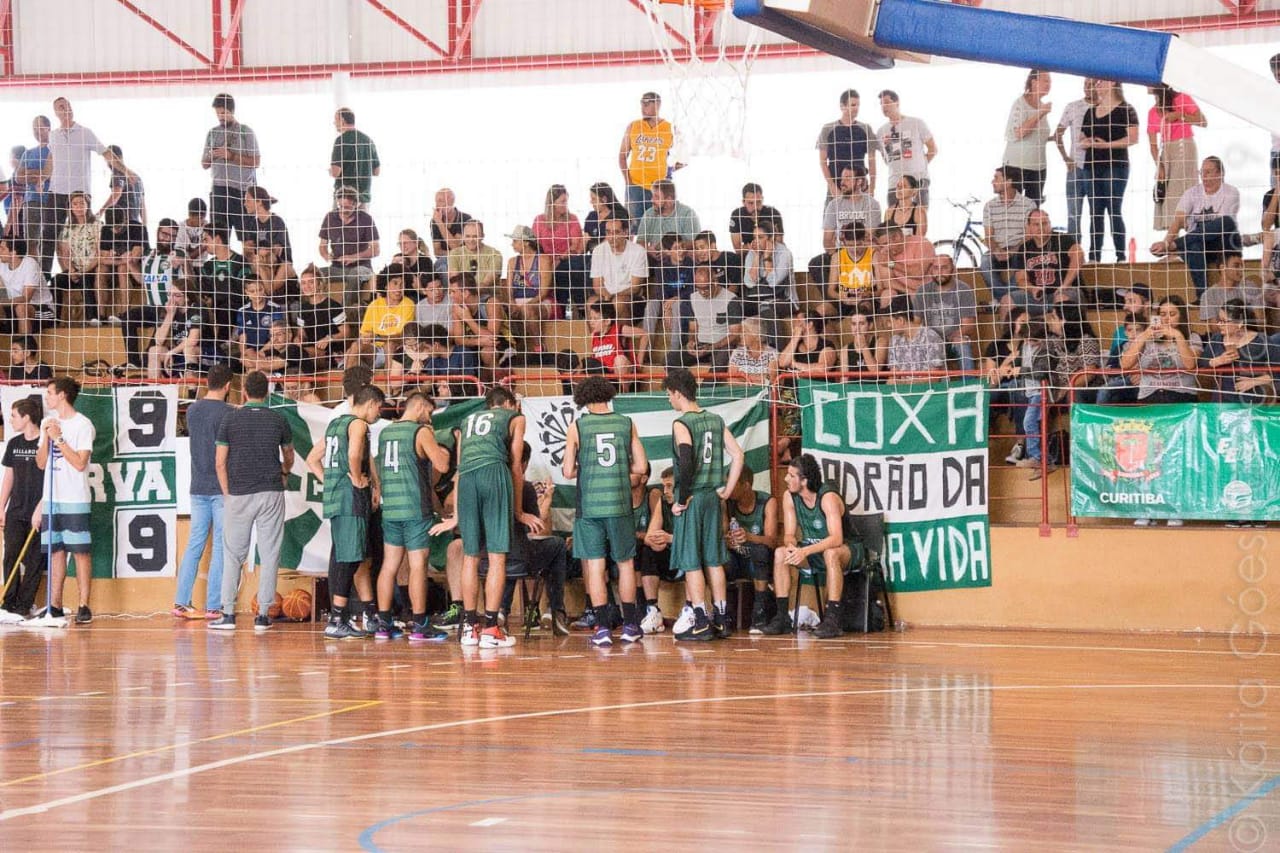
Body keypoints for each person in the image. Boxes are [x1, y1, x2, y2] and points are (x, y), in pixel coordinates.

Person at [429, 386, 544, 648]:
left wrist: (457, 515)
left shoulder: (467, 421)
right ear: (508, 403)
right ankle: (492, 628)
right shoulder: (515, 418)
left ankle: (470, 628)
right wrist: (519, 512)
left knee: (470, 556)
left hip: (467, 480)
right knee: (496, 556)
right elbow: (515, 465)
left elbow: (459, 469)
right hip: (494, 473)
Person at [562, 376, 649, 647]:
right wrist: (617, 469)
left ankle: (601, 628)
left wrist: (588, 469)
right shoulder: (626, 423)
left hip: (590, 506)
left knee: (596, 566)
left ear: (584, 399)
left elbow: (567, 471)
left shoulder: (577, 426)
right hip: (620, 503)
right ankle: (631, 625)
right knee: (625, 565)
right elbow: (641, 467)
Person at [663, 367, 744, 640]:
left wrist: (680, 498)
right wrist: (727, 490)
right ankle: (721, 618)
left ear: (677, 393)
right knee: (714, 559)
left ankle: (700, 620)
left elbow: (685, 461)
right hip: (712, 496)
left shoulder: (682, 423)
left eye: (669, 395)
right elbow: (738, 455)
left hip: (693, 496)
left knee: (692, 561)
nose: (669, 400)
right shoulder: (715, 419)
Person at [211, 371, 294, 631]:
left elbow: (219, 462)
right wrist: (284, 472)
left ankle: (227, 613)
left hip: (238, 493)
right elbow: (289, 455)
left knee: (233, 555)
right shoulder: (278, 419)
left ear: (244, 392)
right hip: (270, 491)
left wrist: (227, 492)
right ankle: (263, 615)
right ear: (267, 392)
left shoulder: (230, 420)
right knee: (269, 554)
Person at [307, 384, 384, 640]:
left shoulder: (335, 425)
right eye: (379, 408)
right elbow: (354, 455)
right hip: (350, 498)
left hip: (336, 496)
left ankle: (369, 614)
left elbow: (311, 459)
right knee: (348, 557)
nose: (378, 414)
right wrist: (355, 478)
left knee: (356, 555)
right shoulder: (359, 425)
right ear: (371, 403)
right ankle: (337, 618)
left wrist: (373, 483)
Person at [376, 391, 453, 641]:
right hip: (414, 508)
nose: (429, 417)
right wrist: (436, 440)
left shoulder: (386, 432)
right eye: (429, 412)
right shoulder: (420, 432)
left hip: (391, 509)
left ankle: (384, 623)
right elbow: (442, 465)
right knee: (418, 565)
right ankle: (420, 625)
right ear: (419, 406)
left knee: (389, 565)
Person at [759, 454, 852, 639]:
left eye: (791, 476)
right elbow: (789, 535)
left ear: (805, 480)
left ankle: (832, 618)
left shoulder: (827, 497)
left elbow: (837, 538)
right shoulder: (789, 497)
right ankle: (782, 616)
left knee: (831, 554)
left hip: (846, 550)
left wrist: (805, 551)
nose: (786, 479)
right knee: (780, 553)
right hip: (812, 551)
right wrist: (792, 546)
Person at [27, 377, 96, 626]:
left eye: (50, 392)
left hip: (74, 498)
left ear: (63, 395)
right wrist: (47, 437)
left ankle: (83, 605)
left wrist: (59, 439)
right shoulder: (48, 422)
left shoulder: (83, 425)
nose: (47, 397)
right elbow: (41, 463)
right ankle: (54, 606)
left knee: (80, 552)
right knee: (55, 552)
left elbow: (79, 463)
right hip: (52, 497)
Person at [172, 364, 233, 620]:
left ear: (207, 382)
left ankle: (180, 602)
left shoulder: (193, 410)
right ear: (229, 386)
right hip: (221, 487)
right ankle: (213, 606)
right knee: (220, 545)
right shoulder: (229, 413)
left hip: (196, 486)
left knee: (194, 544)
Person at [1150, 156, 1241, 298]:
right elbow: (1178, 220)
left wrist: (1172, 245)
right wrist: (1165, 242)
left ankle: (1177, 246)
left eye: (1209, 172)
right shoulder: (1192, 193)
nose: (1204, 176)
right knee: (1194, 245)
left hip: (1220, 246)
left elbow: (1221, 226)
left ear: (1220, 174)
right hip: (1195, 247)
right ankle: (1203, 296)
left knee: (1226, 222)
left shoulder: (1231, 192)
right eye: (1202, 172)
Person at [1080, 79, 1139, 263]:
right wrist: (1087, 143)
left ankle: (1120, 256)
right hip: (1092, 166)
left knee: (1114, 209)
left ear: (1113, 83)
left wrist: (1107, 146)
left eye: (1100, 81)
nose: (1096, 85)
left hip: (1116, 165)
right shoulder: (1090, 111)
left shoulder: (1126, 109)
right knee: (1095, 211)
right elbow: (1081, 138)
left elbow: (1133, 138)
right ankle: (1094, 257)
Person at [0, 397, 44, 622]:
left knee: (35, 559)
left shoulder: (45, 443)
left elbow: (52, 479)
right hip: (16, 510)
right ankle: (8, 603)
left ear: (26, 417)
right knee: (10, 556)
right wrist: (1, 506)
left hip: (38, 511)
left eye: (14, 416)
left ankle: (24, 606)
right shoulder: (14, 443)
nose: (11, 420)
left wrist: (41, 508)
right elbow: (9, 475)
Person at [726, 464, 778, 634]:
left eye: (732, 484)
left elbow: (771, 541)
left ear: (746, 485)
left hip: (759, 562)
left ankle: (760, 610)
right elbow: (721, 533)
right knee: (718, 555)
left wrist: (748, 536)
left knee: (760, 550)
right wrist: (727, 541)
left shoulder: (767, 501)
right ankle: (722, 611)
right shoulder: (726, 503)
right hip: (737, 560)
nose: (728, 489)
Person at [120, 218, 178, 371]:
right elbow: (142, 279)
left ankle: (148, 364)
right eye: (165, 234)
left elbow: (190, 282)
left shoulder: (178, 254)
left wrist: (186, 264)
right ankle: (132, 361)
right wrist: (131, 264)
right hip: (151, 307)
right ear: (158, 232)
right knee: (127, 317)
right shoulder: (148, 254)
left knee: (150, 355)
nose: (168, 238)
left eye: (173, 236)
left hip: (170, 309)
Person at [1005, 208, 1084, 319]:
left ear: (1050, 224)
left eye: (1045, 223)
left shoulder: (1063, 239)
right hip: (1038, 296)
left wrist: (1065, 285)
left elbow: (1079, 255)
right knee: (1007, 300)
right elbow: (1021, 280)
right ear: (1028, 228)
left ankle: (1067, 335)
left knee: (1061, 298)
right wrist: (1032, 289)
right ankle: (1008, 336)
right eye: (1036, 224)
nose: (1041, 227)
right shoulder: (1024, 248)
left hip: (1067, 292)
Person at [202, 93, 260, 240]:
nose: (220, 117)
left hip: (242, 192)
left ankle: (249, 263)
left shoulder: (246, 132)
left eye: (223, 113)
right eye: (217, 113)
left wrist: (231, 156)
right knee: (219, 239)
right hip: (219, 190)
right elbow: (204, 164)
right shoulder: (212, 133)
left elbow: (256, 162)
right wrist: (213, 155)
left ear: (231, 111)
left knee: (249, 240)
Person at [1148, 84, 1205, 230]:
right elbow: (1153, 145)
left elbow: (1202, 121)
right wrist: (1159, 166)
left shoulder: (1181, 98)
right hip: (1166, 152)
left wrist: (1180, 115)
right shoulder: (1153, 112)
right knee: (1167, 190)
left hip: (1183, 146)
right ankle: (1173, 236)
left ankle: (1190, 228)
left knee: (1182, 188)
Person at [619, 92, 680, 226]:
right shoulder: (633, 126)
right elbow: (622, 155)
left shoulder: (670, 128)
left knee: (660, 226)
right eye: (642, 104)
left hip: (659, 188)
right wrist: (628, 181)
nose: (643, 108)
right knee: (633, 227)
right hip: (635, 186)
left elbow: (683, 158)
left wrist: (668, 172)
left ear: (657, 104)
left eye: (647, 104)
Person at [981, 167, 1037, 307]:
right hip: (999, 249)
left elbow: (1030, 235)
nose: (992, 181)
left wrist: (1011, 251)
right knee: (985, 261)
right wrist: (997, 250)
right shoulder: (989, 206)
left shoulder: (1028, 204)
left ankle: (1002, 299)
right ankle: (1004, 297)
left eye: (996, 178)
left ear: (1008, 181)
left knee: (1022, 258)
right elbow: (988, 237)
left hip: (1020, 249)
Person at [667, 264, 740, 371]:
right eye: (698, 288)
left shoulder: (731, 300)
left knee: (718, 367)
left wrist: (713, 347)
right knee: (670, 360)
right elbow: (693, 329)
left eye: (706, 288)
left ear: (715, 282)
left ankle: (703, 387)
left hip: (722, 345)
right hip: (701, 344)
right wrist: (691, 342)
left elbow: (735, 334)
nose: (702, 292)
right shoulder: (692, 299)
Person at [1202, 299, 1275, 404]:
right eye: (1218, 320)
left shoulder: (1262, 341)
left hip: (1252, 401)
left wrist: (1255, 381)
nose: (1219, 324)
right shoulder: (1216, 338)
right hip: (1221, 401)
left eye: (1223, 321)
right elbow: (1201, 362)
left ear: (1240, 323)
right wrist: (1216, 361)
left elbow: (1277, 372)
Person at [913, 254, 978, 371]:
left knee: (962, 343)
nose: (939, 272)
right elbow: (916, 323)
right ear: (931, 270)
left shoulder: (964, 290)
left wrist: (952, 337)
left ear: (953, 269)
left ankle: (970, 384)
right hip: (930, 341)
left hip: (953, 340)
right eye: (936, 268)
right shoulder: (922, 291)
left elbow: (969, 326)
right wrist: (931, 339)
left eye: (944, 268)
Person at [318, 186, 379, 305]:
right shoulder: (330, 217)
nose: (343, 210)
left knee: (355, 274)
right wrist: (326, 255)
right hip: (337, 268)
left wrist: (354, 257)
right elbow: (322, 245)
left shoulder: (366, 219)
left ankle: (345, 311)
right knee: (315, 274)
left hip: (362, 268)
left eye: (347, 207)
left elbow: (376, 250)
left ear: (356, 204)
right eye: (340, 207)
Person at [1052, 78, 1095, 247]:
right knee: (1073, 214)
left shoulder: (1105, 107)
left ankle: (1094, 255)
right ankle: (1074, 252)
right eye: (1086, 84)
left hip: (1097, 169)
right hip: (1075, 168)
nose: (1088, 88)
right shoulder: (1073, 107)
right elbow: (1057, 134)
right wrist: (1065, 158)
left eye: (1092, 84)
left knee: (1096, 214)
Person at [876, 90, 937, 208]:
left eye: (887, 102)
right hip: (894, 183)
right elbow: (887, 160)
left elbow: (933, 149)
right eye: (881, 104)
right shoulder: (881, 131)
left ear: (897, 103)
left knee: (918, 221)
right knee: (894, 223)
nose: (884, 107)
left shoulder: (916, 123)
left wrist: (918, 167)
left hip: (917, 181)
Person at [741, 220, 797, 350]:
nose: (756, 241)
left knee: (766, 306)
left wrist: (767, 257)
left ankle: (777, 352)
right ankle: (736, 353)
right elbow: (749, 283)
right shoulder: (752, 252)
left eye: (760, 237)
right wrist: (756, 256)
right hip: (758, 299)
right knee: (734, 304)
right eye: (754, 237)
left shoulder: (784, 254)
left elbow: (773, 283)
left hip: (785, 301)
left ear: (771, 238)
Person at [817, 89, 880, 200]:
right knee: (832, 216)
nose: (856, 108)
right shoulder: (828, 129)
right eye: (853, 105)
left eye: (858, 105)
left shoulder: (866, 129)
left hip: (860, 185)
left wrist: (872, 187)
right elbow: (822, 161)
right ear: (842, 106)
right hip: (837, 185)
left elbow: (872, 161)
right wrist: (832, 187)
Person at [346, 267, 414, 368]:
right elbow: (365, 333)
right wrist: (366, 337)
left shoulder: (408, 304)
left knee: (389, 345)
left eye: (402, 284)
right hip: (376, 350)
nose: (399, 288)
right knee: (355, 346)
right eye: (395, 283)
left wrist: (378, 337)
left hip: (399, 350)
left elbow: (402, 337)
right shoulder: (374, 305)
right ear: (386, 285)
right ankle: (348, 382)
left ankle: (389, 383)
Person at [1003, 69, 1053, 203]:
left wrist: (1054, 137)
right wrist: (1040, 113)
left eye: (1050, 81)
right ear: (1034, 82)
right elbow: (1018, 133)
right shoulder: (1020, 103)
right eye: (1046, 80)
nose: (1049, 84)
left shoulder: (1042, 106)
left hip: (1038, 168)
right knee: (1012, 210)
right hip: (1016, 167)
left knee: (1033, 212)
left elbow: (1036, 136)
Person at [290, 263, 348, 375]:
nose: (307, 286)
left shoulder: (332, 305)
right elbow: (301, 335)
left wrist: (329, 338)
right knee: (294, 352)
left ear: (320, 284)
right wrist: (299, 339)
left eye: (311, 282)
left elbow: (346, 332)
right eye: (303, 283)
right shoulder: (303, 309)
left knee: (294, 353)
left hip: (331, 354)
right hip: (310, 351)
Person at [505, 224, 554, 353]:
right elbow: (509, 289)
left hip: (539, 301)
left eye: (515, 241)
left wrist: (523, 306)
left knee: (527, 310)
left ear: (525, 242)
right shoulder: (511, 262)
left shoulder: (543, 259)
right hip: (518, 301)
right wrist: (511, 303)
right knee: (501, 309)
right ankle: (512, 349)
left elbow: (543, 292)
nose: (512, 244)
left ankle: (539, 346)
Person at [589, 217, 648, 325]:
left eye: (616, 232)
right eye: (608, 232)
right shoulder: (598, 251)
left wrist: (613, 296)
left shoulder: (638, 251)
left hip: (631, 298)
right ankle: (597, 341)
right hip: (606, 295)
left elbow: (635, 288)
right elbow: (597, 284)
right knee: (591, 303)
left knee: (618, 302)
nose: (611, 237)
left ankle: (622, 342)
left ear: (625, 232)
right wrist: (607, 295)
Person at [16, 115, 53, 275]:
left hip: (52, 200)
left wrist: (30, 173)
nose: (36, 131)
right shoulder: (28, 153)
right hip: (31, 202)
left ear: (48, 128)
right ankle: (34, 277)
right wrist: (40, 173)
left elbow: (52, 173)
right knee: (31, 241)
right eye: (34, 128)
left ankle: (46, 276)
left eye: (39, 127)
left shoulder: (55, 150)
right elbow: (19, 177)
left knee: (50, 242)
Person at [241, 186, 294, 299]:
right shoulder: (253, 224)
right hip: (261, 263)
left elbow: (276, 253)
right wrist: (247, 249)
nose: (245, 204)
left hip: (279, 265)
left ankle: (267, 294)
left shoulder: (276, 221)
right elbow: (248, 251)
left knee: (262, 262)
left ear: (259, 202)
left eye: (248, 200)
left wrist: (259, 255)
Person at [877, 294, 945, 377]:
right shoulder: (895, 340)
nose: (888, 326)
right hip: (903, 388)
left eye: (890, 321)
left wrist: (904, 384)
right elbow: (893, 376)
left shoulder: (931, 337)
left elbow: (934, 378)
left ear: (901, 320)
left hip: (929, 389)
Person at [0, 236, 54, 336]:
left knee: (21, 308)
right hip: (14, 308)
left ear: (13, 253)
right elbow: (2, 293)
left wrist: (2, 303)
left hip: (42, 311)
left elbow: (25, 298)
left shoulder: (30, 264)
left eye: (2, 249)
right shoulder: (1, 265)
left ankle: (24, 347)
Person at [821, 165, 882, 254]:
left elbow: (868, 237)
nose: (842, 183)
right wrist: (836, 257)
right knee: (815, 263)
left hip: (864, 252)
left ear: (859, 182)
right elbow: (827, 240)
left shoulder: (872, 205)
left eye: (847, 179)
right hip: (840, 253)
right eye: (842, 179)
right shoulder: (833, 205)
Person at [330, 107, 381, 205]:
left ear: (342, 120)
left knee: (337, 220)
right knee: (363, 220)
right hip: (363, 197)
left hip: (344, 198)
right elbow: (376, 171)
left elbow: (336, 172)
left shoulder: (341, 141)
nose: (334, 123)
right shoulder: (368, 141)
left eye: (336, 120)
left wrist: (331, 171)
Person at [825, 220, 876, 316]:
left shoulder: (873, 254)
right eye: (850, 246)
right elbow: (830, 291)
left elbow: (881, 289)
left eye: (858, 245)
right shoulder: (837, 257)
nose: (854, 250)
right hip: (844, 299)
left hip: (865, 299)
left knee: (864, 308)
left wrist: (869, 294)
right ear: (844, 243)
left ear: (864, 240)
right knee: (822, 310)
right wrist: (842, 297)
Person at [635, 179, 701, 251]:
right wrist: (649, 250)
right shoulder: (649, 214)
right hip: (654, 259)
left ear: (669, 200)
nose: (652, 200)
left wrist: (670, 249)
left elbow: (694, 243)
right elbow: (640, 241)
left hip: (681, 259)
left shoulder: (688, 214)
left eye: (657, 197)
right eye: (653, 196)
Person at [446, 220, 503, 296]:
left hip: (486, 297)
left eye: (475, 236)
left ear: (482, 236)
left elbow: (486, 283)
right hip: (462, 296)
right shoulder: (455, 253)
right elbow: (454, 281)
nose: (471, 240)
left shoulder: (495, 254)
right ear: (462, 236)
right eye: (468, 236)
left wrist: (469, 294)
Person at [728, 183, 784, 253]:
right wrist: (757, 246)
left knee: (784, 252)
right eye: (751, 203)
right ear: (743, 202)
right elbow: (738, 249)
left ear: (762, 199)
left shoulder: (773, 213)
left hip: (772, 254)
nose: (755, 207)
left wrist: (751, 246)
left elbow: (779, 244)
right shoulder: (736, 215)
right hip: (748, 255)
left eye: (758, 202)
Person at [778, 312, 837, 376]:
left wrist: (795, 364)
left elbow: (822, 369)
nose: (794, 324)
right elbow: (782, 363)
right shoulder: (795, 344)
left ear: (810, 325)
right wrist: (795, 337)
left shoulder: (827, 345)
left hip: (815, 385)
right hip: (793, 385)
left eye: (798, 321)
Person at [727, 316, 779, 387]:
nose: (741, 335)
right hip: (742, 394)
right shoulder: (737, 352)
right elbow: (731, 380)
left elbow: (771, 380)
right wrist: (760, 378)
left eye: (744, 332)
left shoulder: (772, 353)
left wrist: (744, 376)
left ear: (757, 336)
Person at [429, 188, 472, 263]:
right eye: (436, 202)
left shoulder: (465, 218)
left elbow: (455, 247)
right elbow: (437, 252)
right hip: (444, 261)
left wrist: (440, 223)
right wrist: (455, 254)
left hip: (463, 261)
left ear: (451, 202)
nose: (437, 205)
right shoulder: (434, 221)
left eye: (440, 201)